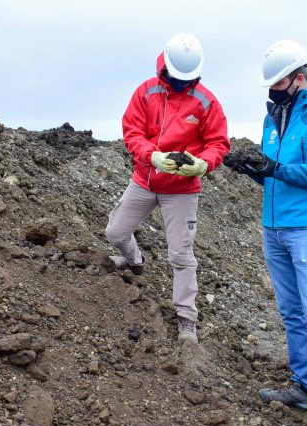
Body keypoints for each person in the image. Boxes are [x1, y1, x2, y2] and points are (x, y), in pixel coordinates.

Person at [232, 40, 307, 426]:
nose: (273, 88)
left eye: (279, 81)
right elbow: (276, 174)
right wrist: (252, 169)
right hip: (274, 227)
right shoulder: (273, 116)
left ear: (300, 77)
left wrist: (278, 168)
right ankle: (304, 388)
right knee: (292, 312)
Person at [105, 32, 230, 344]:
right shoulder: (146, 92)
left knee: (181, 254)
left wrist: (202, 164)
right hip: (145, 179)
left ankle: (186, 318)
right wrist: (154, 157)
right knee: (116, 233)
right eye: (176, 78)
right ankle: (135, 262)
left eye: (188, 79)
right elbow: (132, 131)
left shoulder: (206, 101)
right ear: (166, 66)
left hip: (182, 190)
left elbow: (218, 143)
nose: (181, 84)